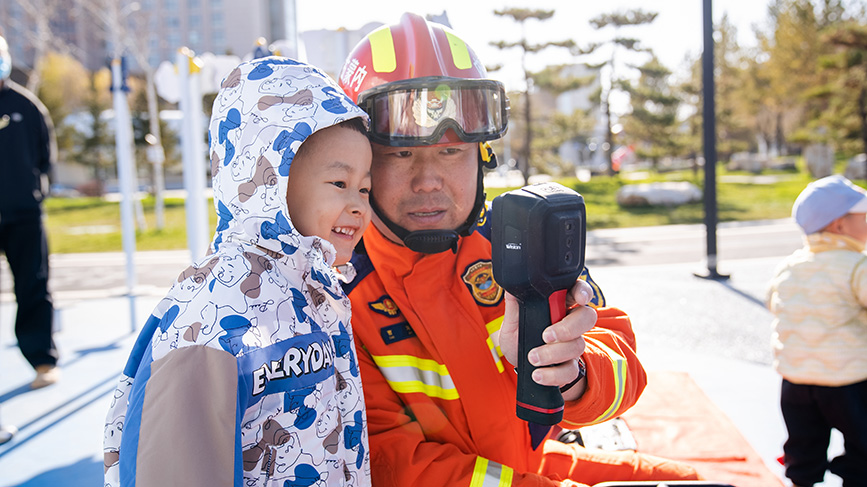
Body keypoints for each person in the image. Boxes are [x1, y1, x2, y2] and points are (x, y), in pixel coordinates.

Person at [337, 13, 700, 487]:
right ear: (361, 166)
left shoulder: (519, 242)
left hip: (532, 464)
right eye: (401, 154)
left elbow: (623, 363)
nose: (428, 181)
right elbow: (397, 465)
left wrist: (573, 375)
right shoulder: (334, 293)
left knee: (692, 479)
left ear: (481, 157)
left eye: (451, 152)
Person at [104, 58, 373, 487]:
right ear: (271, 180)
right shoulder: (211, 318)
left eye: (365, 188)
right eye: (340, 184)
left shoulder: (314, 293)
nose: (359, 204)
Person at [767, 174, 867, 487]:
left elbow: (774, 303)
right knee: (862, 449)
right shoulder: (857, 265)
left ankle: (800, 481)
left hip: (795, 382)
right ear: (840, 225)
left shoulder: (790, 265)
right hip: (847, 381)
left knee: (803, 447)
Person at [0, 33, 60, 390]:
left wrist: (32, 193)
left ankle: (42, 361)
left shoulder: (27, 106)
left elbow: (45, 158)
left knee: (33, 287)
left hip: (23, 215)